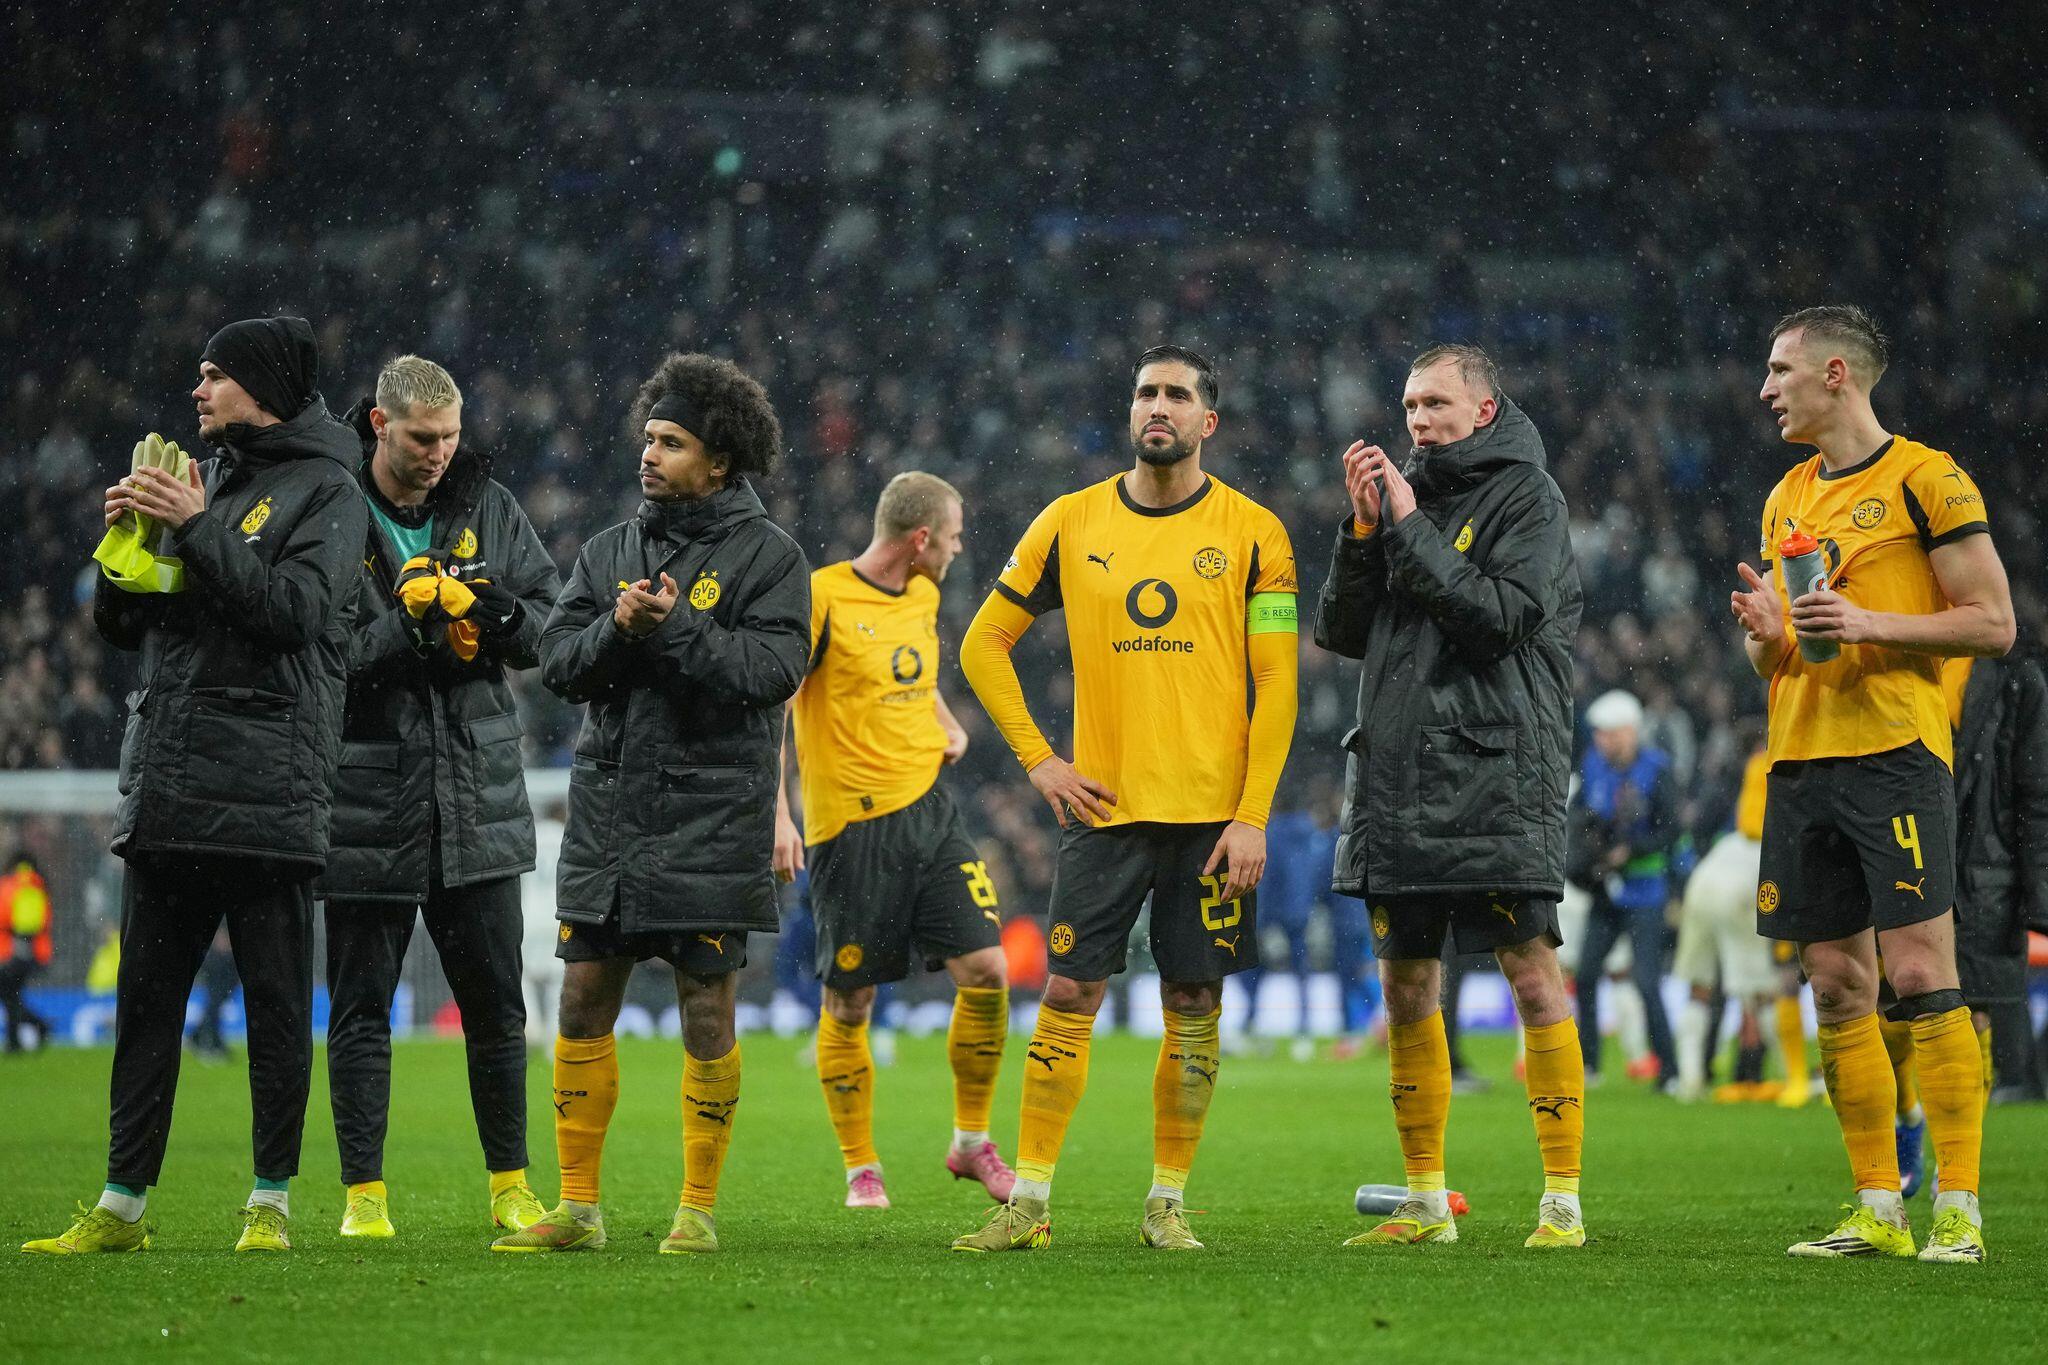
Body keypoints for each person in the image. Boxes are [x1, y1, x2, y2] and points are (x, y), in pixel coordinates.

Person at [25, 317, 367, 1255]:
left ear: (263, 387)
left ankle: (270, 1201)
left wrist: (196, 526)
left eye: (215, 374)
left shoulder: (330, 492)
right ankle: (121, 1203)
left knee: (275, 1007)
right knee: (146, 1005)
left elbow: (293, 614)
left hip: (269, 785)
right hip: (172, 776)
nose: (197, 389)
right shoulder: (204, 479)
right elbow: (125, 627)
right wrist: (126, 544)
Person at [951, 345, 1298, 1252]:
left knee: (1194, 998)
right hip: (1104, 809)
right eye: (1146, 392)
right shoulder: (1071, 520)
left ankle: (1166, 1202)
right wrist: (1040, 762)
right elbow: (982, 644)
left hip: (1212, 819)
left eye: (1177, 394)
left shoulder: (1255, 532)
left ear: (1207, 421)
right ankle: (1029, 1202)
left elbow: (1278, 683)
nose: (1158, 406)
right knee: (1069, 989)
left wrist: (1253, 813)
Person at [492, 352, 808, 1256]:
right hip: (609, 817)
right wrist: (617, 627)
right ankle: (579, 1208)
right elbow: (557, 663)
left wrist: (675, 627)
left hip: (714, 818)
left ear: (720, 460)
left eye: (671, 442)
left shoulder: (771, 558)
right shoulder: (608, 551)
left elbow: (773, 671)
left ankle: (696, 1208)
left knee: (707, 1009)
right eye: (649, 437)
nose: (649, 454)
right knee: (582, 1000)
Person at [1732, 305, 2014, 1262]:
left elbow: (1993, 623)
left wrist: (1867, 623)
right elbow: (1785, 657)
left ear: (1837, 374)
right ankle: (1877, 1205)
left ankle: (1959, 1208)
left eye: (1780, 370)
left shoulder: (1928, 479)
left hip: (1895, 753)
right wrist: (1770, 636)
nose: (1766, 389)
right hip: (1800, 756)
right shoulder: (1786, 498)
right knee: (1836, 984)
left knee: (1923, 973)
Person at [1315, 343, 1586, 1250]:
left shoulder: (1529, 498)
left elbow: (1497, 619)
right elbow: (1341, 631)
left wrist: (1405, 523)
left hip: (1495, 775)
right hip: (1395, 781)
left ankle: (1561, 1201)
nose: (1418, 421)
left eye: (1435, 403)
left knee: (1531, 976)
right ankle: (1426, 1202)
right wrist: (1363, 533)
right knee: (1405, 987)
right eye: (1409, 406)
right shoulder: (1403, 502)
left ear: (1483, 409)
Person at [318, 355, 563, 1240]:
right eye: (424, 438)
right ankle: (364, 1197)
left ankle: (511, 1186)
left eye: (451, 436)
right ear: (380, 425)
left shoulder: (487, 505)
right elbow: (320, 655)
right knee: (361, 1009)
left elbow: (551, 627)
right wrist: (407, 623)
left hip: (476, 795)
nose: (440, 453)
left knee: (498, 1009)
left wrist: (486, 612)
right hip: (367, 795)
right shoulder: (333, 506)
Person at [775, 471, 1017, 1210]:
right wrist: (777, 817)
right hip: (850, 827)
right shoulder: (819, 598)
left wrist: (945, 720)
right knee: (851, 1001)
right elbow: (772, 710)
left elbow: (913, 673)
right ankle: (861, 1166)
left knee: (988, 970)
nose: (958, 549)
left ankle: (971, 1142)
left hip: (931, 812)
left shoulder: (922, 595)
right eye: (953, 536)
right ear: (920, 538)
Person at [1569, 690, 1681, 1089]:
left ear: (1630, 732)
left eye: (1610, 733)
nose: (1603, 741)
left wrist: (1631, 851)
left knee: (1647, 981)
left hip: (1645, 891)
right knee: (1586, 975)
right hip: (1606, 890)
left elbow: (1671, 831)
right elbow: (1579, 815)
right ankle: (1589, 1065)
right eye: (1600, 733)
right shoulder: (1593, 767)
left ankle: (1669, 1070)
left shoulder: (1657, 770)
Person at [1672, 743, 1784, 1101]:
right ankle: (1779, 1075)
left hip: (1706, 877)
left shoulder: (1739, 803)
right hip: (1745, 878)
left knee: (1699, 986)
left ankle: (1689, 1080)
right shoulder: (1780, 787)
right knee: (1755, 991)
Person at [0, 851, 53, 1052]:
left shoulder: (15, 884)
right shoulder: (35, 885)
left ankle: (29, 1032)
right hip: (28, 951)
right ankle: (17, 1039)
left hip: (14, 952)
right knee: (11, 995)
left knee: (9, 995)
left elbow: (12, 920)